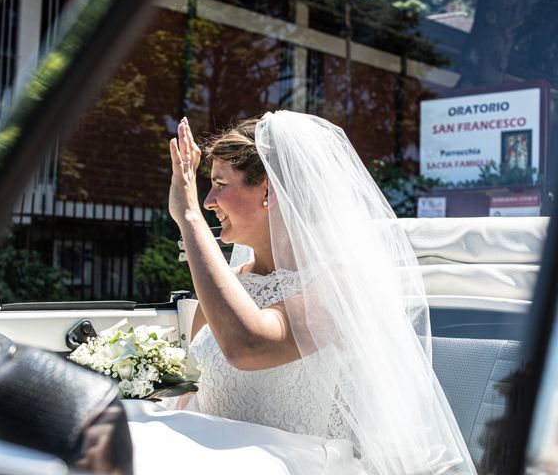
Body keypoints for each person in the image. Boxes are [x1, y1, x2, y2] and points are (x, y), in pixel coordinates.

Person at [125, 111, 477, 475]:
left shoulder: (340, 289)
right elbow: (195, 391)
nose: (209, 200)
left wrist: (190, 218)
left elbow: (247, 345)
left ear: (268, 191)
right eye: (208, 189)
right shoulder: (228, 286)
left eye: (220, 184)